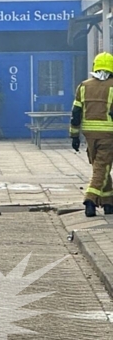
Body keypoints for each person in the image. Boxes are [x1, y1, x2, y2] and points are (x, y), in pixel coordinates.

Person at [70, 52, 113, 217]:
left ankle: (109, 203)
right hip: (108, 135)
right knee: (101, 168)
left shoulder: (83, 86)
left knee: (100, 167)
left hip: (89, 135)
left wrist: (74, 135)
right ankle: (90, 200)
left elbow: (76, 113)